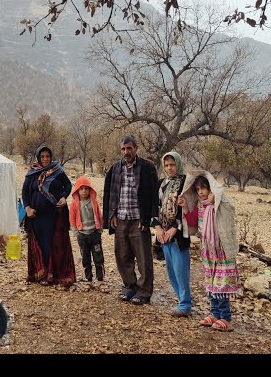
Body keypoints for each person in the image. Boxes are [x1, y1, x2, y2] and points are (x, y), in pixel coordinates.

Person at [180, 171, 242, 331]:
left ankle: (225, 317)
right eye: (198, 189)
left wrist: (217, 201)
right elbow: (194, 222)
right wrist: (186, 207)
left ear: (210, 188)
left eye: (204, 188)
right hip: (207, 250)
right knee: (211, 283)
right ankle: (214, 313)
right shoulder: (201, 205)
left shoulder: (220, 203)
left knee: (221, 284)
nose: (201, 192)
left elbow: (229, 209)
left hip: (221, 250)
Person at [103, 134, 159, 305]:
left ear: (136, 148)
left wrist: (148, 218)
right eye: (123, 148)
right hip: (120, 218)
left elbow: (153, 195)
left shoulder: (147, 167)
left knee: (143, 258)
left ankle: (144, 291)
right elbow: (109, 194)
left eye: (129, 148)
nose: (126, 151)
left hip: (138, 219)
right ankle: (129, 287)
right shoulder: (115, 168)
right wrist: (110, 215)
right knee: (122, 255)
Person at [22, 145, 76, 287]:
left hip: (55, 215)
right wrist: (27, 208)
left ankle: (54, 274)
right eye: (42, 156)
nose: (45, 159)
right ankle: (42, 273)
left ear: (51, 157)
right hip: (37, 216)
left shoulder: (57, 170)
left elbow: (68, 185)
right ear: (38, 157)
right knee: (40, 243)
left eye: (47, 156)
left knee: (53, 244)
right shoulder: (32, 172)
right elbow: (24, 192)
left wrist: (64, 197)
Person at [152, 151, 198, 317]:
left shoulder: (186, 183)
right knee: (171, 270)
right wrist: (158, 228)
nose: (169, 168)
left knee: (181, 270)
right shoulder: (160, 183)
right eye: (166, 165)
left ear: (178, 164)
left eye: (172, 164)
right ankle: (181, 301)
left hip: (178, 235)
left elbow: (189, 206)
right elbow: (154, 206)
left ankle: (185, 304)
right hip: (163, 235)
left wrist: (175, 227)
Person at [69, 175, 107, 292]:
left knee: (98, 257)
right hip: (82, 235)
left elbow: (99, 215)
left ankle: (100, 281)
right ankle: (89, 280)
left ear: (90, 189)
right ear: (77, 190)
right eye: (81, 189)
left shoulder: (94, 202)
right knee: (86, 258)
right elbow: (72, 220)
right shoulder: (75, 204)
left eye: (86, 188)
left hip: (94, 234)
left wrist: (100, 228)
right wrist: (76, 233)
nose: (84, 191)